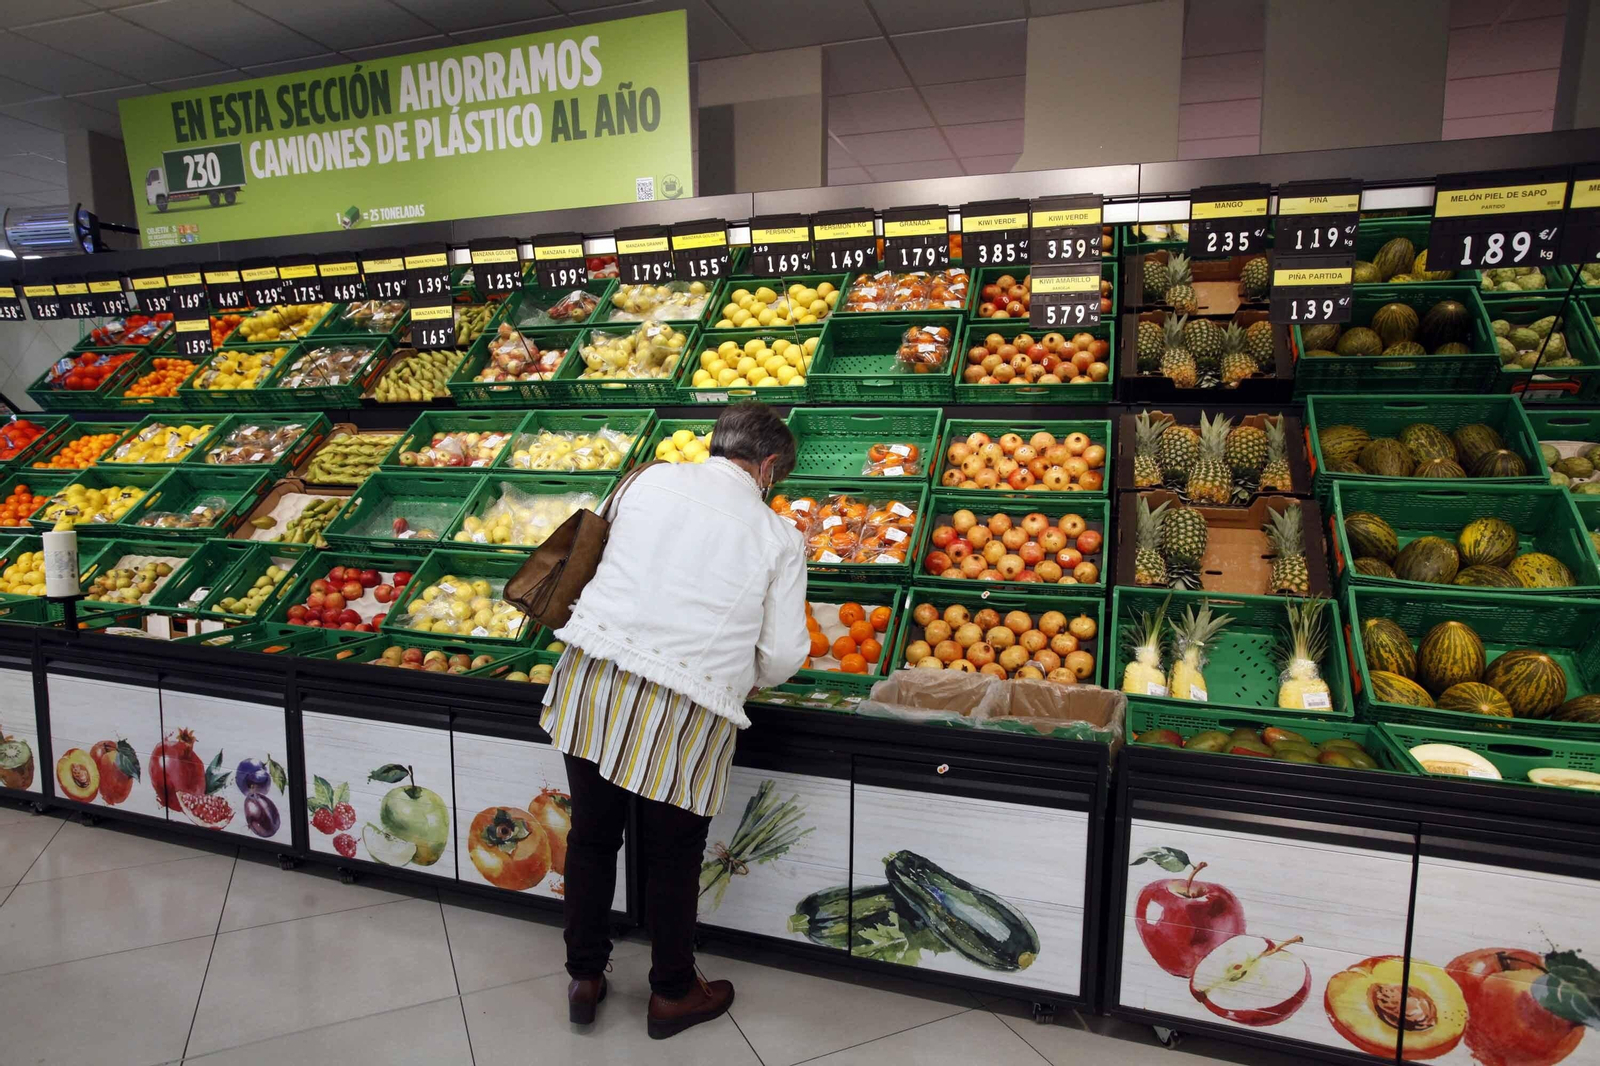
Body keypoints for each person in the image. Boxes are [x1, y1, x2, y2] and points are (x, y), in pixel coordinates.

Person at [540, 401, 810, 1039]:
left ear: (718, 443)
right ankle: (671, 992)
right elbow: (780, 656)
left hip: (595, 675)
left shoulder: (646, 479)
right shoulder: (779, 537)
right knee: (672, 854)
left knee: (592, 835)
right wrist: (739, 668)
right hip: (685, 702)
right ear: (768, 466)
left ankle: (584, 976)